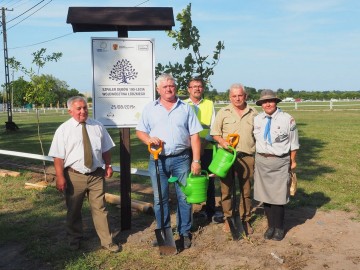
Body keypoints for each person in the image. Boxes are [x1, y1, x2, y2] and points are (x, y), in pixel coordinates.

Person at [136, 73, 202, 249]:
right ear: (158, 89)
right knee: (160, 199)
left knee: (184, 198)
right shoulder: (150, 108)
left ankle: (184, 232)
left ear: (176, 87)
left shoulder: (186, 108)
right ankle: (164, 231)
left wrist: (196, 160)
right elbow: (140, 131)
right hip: (158, 160)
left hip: (182, 158)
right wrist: (148, 139)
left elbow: (195, 136)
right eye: (164, 86)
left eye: (171, 85)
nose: (168, 89)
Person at [48, 96, 120, 252]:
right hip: (74, 176)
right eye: (79, 108)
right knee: (74, 209)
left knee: (100, 208)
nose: (83, 111)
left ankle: (107, 241)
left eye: (85, 108)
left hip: (96, 174)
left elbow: (106, 149)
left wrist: (108, 165)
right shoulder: (63, 130)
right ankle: (74, 239)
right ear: (70, 111)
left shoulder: (98, 126)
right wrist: (60, 177)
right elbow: (58, 157)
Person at [210, 83, 258, 235]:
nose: (237, 98)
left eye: (240, 95)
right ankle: (228, 218)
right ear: (230, 97)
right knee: (226, 190)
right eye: (234, 96)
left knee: (246, 190)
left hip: (247, 157)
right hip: (226, 157)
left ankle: (245, 219)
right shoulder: (223, 112)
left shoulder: (254, 113)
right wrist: (222, 142)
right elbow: (215, 133)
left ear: (245, 96)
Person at [253, 89, 299, 241]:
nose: (268, 104)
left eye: (270, 101)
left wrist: (293, 161)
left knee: (278, 197)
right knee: (265, 195)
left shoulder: (288, 119)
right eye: (264, 102)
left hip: (280, 161)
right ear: (261, 104)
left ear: (276, 102)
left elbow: (294, 143)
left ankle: (279, 227)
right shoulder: (257, 119)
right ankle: (270, 226)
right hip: (262, 161)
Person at [184, 77, 219, 223]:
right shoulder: (183, 104)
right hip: (187, 148)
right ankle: (187, 213)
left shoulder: (210, 104)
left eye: (199, 86)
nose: (197, 89)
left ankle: (210, 210)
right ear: (188, 89)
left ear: (203, 88)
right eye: (194, 86)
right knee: (188, 180)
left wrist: (204, 143)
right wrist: (193, 145)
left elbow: (214, 126)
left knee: (208, 179)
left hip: (207, 148)